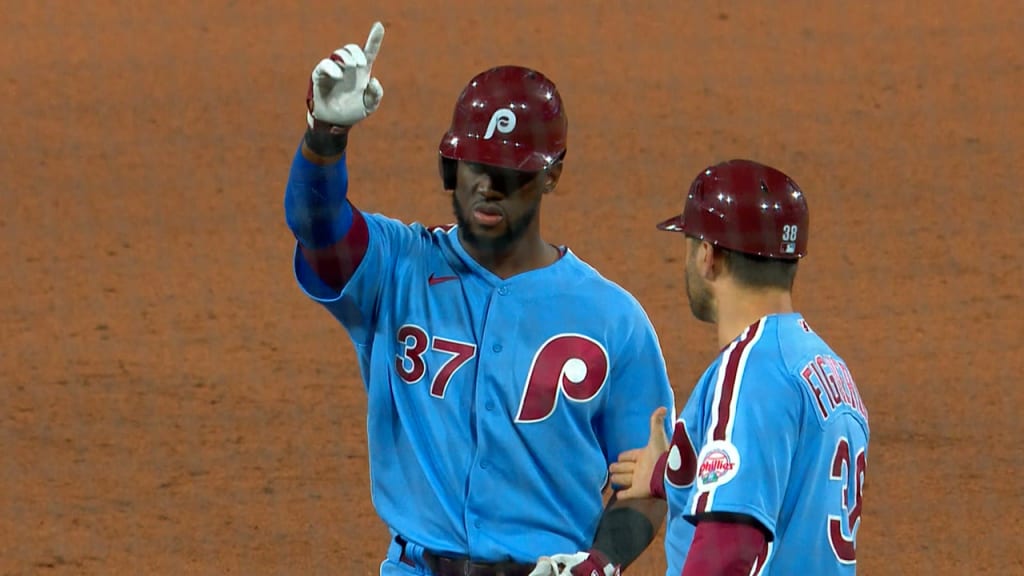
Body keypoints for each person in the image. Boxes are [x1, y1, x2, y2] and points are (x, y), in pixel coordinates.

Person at [283, 22, 675, 576]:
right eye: (475, 167)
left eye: (509, 174)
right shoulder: (396, 268)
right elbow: (317, 228)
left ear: (551, 176)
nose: (487, 186)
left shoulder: (613, 320)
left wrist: (600, 564)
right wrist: (324, 138)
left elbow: (647, 484)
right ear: (451, 166)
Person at [608, 159, 871, 575]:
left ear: (708, 257)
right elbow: (770, 477)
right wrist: (665, 472)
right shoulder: (827, 369)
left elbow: (728, 547)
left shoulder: (750, 371)